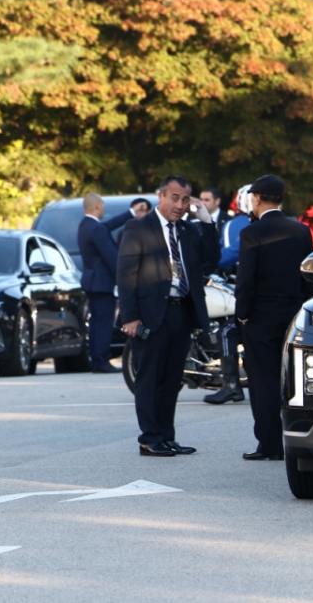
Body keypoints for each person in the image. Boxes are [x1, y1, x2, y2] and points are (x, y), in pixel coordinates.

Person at [117, 175, 220, 457]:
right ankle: (149, 438)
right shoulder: (138, 227)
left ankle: (166, 435)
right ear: (161, 196)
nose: (179, 204)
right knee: (149, 378)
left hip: (180, 312)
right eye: (174, 197)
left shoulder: (187, 230)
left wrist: (206, 220)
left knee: (172, 379)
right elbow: (126, 274)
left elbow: (212, 258)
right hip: (149, 315)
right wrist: (130, 317)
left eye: (185, 199)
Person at [234, 175, 313, 461]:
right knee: (296, 379)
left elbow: (246, 281)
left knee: (263, 381)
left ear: (256, 198)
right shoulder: (301, 231)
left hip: (261, 317)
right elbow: (309, 276)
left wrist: (242, 314)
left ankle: (269, 444)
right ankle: (303, 438)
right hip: (294, 312)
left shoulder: (251, 233)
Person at [205, 184, 254, 405]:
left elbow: (226, 257)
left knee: (227, 331)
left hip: (246, 293)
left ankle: (231, 385)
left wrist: (203, 261)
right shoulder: (293, 226)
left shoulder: (241, 227)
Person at [77, 193, 133, 372]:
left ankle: (96, 359)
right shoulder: (96, 229)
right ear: (98, 207)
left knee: (96, 322)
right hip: (102, 283)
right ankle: (101, 360)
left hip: (91, 282)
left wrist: (130, 213)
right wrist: (127, 276)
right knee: (103, 323)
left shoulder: (86, 225)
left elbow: (106, 226)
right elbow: (112, 257)